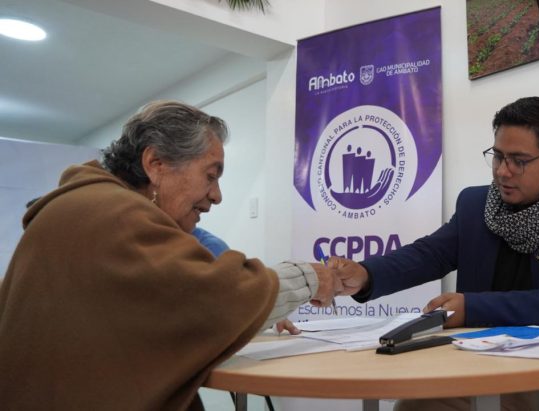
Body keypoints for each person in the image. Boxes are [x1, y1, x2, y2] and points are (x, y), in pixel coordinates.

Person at [0, 100, 341, 410]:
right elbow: (218, 301)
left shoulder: (81, 208)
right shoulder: (116, 215)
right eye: (210, 176)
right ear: (156, 164)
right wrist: (311, 276)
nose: (217, 195)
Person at [330, 97, 539, 410]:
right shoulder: (475, 204)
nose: (502, 172)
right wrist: (366, 275)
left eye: (519, 161)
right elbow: (429, 254)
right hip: (486, 372)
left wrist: (472, 308)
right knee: (414, 407)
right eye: (498, 156)